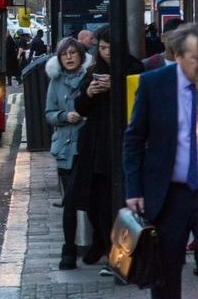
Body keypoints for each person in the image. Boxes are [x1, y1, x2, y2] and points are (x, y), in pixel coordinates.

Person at [124, 22, 198, 299]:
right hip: (170, 194)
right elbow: (133, 140)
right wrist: (134, 189)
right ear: (178, 56)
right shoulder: (154, 85)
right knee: (166, 274)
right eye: (196, 58)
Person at [69, 27, 143, 269]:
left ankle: (121, 253)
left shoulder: (134, 69)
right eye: (102, 48)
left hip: (123, 142)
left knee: (119, 200)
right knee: (93, 198)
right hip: (96, 143)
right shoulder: (93, 72)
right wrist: (89, 93)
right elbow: (80, 107)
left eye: (111, 48)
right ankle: (100, 241)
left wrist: (117, 89)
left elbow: (138, 106)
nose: (107, 53)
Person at [44, 36, 91, 270]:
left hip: (88, 147)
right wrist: (64, 117)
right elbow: (49, 113)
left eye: (73, 53)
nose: (69, 57)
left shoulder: (90, 79)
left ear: (81, 56)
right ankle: (68, 250)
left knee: (94, 202)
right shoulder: (55, 81)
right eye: (65, 54)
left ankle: (99, 244)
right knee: (70, 203)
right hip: (65, 148)